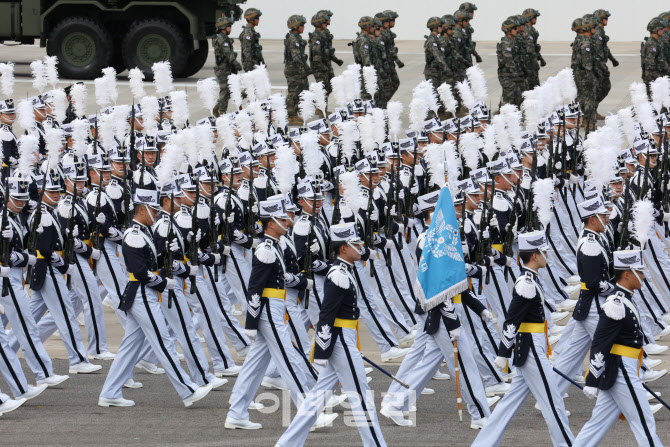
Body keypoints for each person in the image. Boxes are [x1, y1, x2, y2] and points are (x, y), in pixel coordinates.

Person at [276, 222, 387, 447]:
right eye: (355, 244)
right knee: (361, 397)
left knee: (316, 398)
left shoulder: (342, 270)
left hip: (340, 339)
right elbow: (327, 315)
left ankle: (286, 444)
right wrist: (323, 349)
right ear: (343, 248)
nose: (360, 248)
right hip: (340, 340)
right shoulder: (338, 274)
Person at [98, 188, 212, 408]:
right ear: (142, 209)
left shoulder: (144, 232)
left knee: (130, 347)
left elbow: (152, 260)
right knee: (163, 342)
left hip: (145, 293)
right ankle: (188, 390)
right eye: (153, 209)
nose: (157, 213)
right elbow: (140, 271)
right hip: (142, 293)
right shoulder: (133, 235)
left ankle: (110, 392)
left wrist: (168, 254)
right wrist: (161, 282)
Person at [472, 231, 574, 447]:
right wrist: (503, 353)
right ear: (535, 256)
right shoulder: (526, 283)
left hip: (532, 347)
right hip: (531, 349)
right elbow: (512, 320)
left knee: (508, 404)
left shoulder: (531, 280)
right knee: (552, 402)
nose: (546, 255)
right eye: (543, 251)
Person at [573, 250, 663, 446]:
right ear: (628, 274)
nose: (643, 276)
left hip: (623, 367)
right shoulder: (617, 302)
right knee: (644, 421)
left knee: (596, 425)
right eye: (639, 272)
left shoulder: (625, 298)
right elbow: (600, 341)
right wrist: (592, 379)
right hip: (622, 369)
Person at [284, 15, 311, 124]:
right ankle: (291, 115)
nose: (303, 27)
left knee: (301, 90)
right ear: (295, 26)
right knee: (293, 93)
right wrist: (303, 69)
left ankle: (295, 113)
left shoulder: (297, 38)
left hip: (298, 69)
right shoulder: (293, 39)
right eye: (302, 25)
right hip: (294, 70)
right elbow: (296, 57)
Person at [213, 16, 242, 116]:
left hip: (227, 68)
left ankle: (219, 107)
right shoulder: (222, 39)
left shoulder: (224, 38)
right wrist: (236, 63)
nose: (231, 28)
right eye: (229, 26)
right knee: (225, 90)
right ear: (224, 27)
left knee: (229, 90)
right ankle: (221, 111)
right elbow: (228, 53)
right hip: (223, 69)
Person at [592, 10, 618, 119]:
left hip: (600, 64)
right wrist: (601, 66)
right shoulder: (597, 32)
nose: (607, 20)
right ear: (599, 19)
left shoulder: (600, 31)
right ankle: (589, 113)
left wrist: (612, 59)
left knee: (601, 88)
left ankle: (593, 110)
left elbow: (604, 48)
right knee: (600, 88)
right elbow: (598, 50)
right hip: (597, 65)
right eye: (605, 18)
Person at [497, 18, 523, 108]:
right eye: (515, 28)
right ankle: (505, 117)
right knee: (509, 100)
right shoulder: (505, 43)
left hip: (512, 75)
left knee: (517, 98)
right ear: (508, 31)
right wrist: (515, 73)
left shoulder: (513, 42)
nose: (517, 30)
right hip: (506, 75)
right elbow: (508, 60)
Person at [641, 18, 669, 96]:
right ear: (656, 30)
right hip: (653, 82)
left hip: (657, 80)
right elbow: (650, 67)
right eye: (662, 28)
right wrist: (661, 78)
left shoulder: (656, 42)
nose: (664, 30)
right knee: (654, 105)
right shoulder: (651, 44)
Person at [522, 8, 545, 89]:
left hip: (531, 63)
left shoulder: (532, 30)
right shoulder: (527, 31)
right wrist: (535, 62)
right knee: (532, 88)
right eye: (534, 17)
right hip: (529, 64)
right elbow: (530, 49)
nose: (536, 19)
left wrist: (540, 58)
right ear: (529, 18)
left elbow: (535, 47)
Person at [424, 17, 448, 94]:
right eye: (440, 26)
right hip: (432, 72)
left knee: (439, 96)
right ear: (435, 28)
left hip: (437, 71)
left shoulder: (436, 39)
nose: (442, 27)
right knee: (434, 96)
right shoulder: (432, 40)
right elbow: (437, 56)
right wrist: (445, 67)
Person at [239, 8, 264, 73]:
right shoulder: (247, 33)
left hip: (255, 63)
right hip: (251, 65)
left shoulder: (252, 32)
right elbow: (246, 51)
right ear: (251, 19)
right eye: (257, 18)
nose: (258, 20)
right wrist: (250, 67)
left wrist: (261, 62)